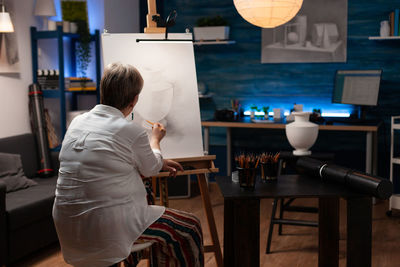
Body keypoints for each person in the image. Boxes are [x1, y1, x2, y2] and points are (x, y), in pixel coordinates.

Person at [52, 63, 204, 267]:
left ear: (103, 91)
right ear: (134, 100)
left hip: (67, 222)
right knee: (189, 227)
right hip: (106, 225)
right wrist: (155, 141)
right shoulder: (131, 131)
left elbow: (108, 160)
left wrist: (156, 159)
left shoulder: (77, 122)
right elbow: (151, 169)